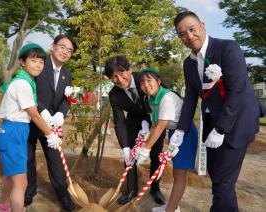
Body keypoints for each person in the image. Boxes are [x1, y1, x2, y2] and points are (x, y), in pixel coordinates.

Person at [169, 11, 264, 212]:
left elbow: (237, 90)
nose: (189, 36)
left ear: (202, 25)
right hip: (212, 122)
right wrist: (180, 130)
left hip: (237, 122)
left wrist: (221, 129)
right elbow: (190, 100)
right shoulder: (189, 63)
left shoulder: (228, 48)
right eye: (182, 34)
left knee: (222, 180)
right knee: (216, 175)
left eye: (192, 29)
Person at [0, 43, 62, 212]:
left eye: (41, 61)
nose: (39, 64)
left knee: (11, 177)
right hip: (14, 132)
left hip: (11, 131)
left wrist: (46, 117)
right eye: (34, 60)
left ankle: (3, 207)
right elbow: (34, 115)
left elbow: (34, 110)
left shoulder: (24, 81)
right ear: (22, 62)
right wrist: (50, 134)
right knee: (21, 182)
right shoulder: (22, 84)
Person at [104, 55, 166, 205]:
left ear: (129, 70)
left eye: (122, 73)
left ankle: (155, 188)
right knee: (129, 157)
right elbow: (119, 121)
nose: (119, 79)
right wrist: (125, 147)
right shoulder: (114, 94)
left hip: (154, 121)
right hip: (132, 123)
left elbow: (162, 96)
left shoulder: (145, 78)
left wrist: (149, 122)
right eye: (114, 77)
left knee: (156, 154)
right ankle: (131, 189)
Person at [24, 35, 77, 211]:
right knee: (28, 158)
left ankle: (63, 195)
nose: (65, 52)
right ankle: (29, 190)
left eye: (69, 50)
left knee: (56, 161)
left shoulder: (67, 74)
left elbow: (68, 98)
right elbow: (30, 90)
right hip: (31, 121)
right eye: (62, 47)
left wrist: (61, 113)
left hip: (52, 126)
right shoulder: (39, 65)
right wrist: (42, 110)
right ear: (53, 46)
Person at [136, 68, 198, 212]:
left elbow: (161, 126)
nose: (145, 85)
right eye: (142, 82)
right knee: (178, 173)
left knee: (180, 173)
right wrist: (144, 141)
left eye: (149, 80)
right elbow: (155, 124)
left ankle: (170, 210)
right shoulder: (152, 98)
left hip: (185, 134)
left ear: (158, 81)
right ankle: (172, 207)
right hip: (174, 133)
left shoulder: (167, 98)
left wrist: (146, 149)